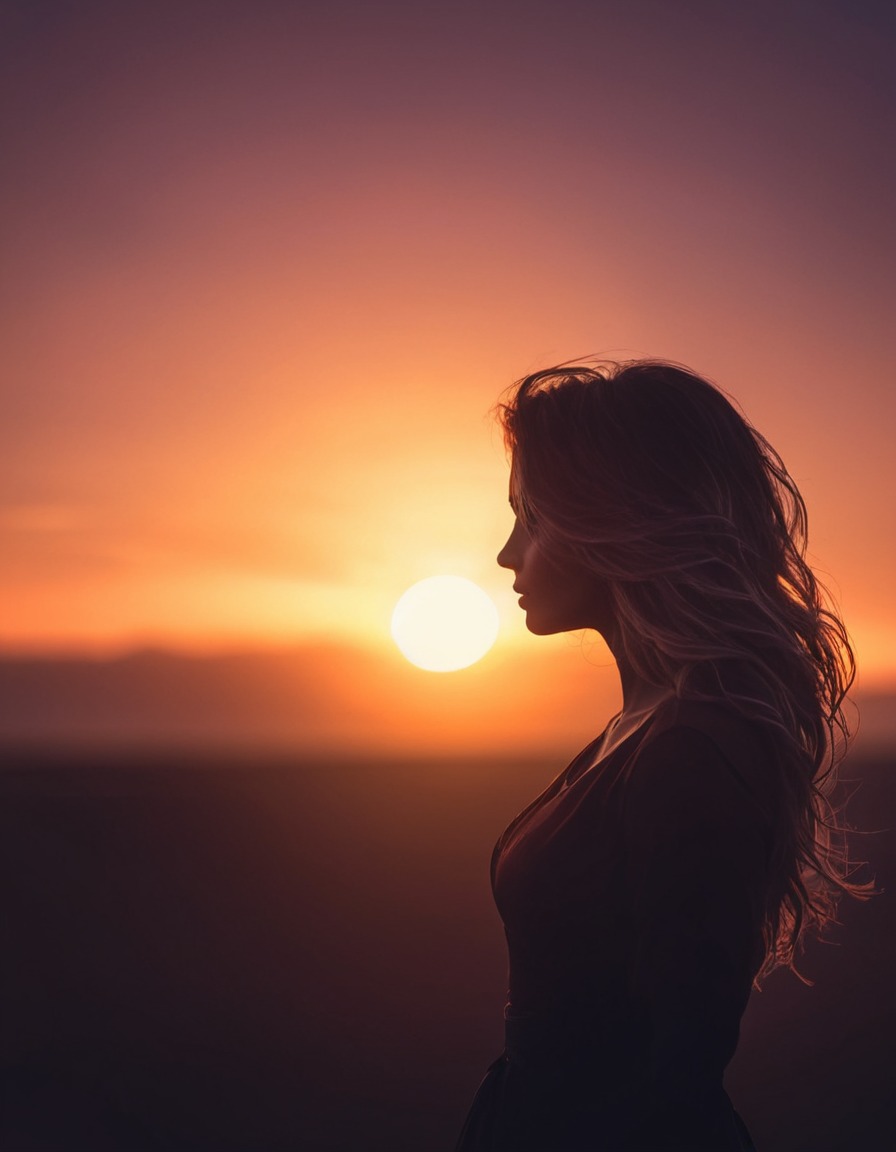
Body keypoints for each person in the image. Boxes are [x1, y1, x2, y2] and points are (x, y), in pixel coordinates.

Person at [456, 361, 868, 1152]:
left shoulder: (689, 748)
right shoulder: (642, 725)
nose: (508, 553)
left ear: (610, 521)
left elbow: (679, 1075)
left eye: (530, 519)